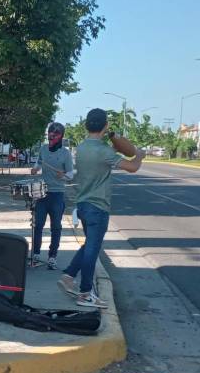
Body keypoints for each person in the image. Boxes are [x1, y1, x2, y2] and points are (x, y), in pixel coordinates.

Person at [57, 108, 144, 308]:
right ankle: (85, 293)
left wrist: (113, 138)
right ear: (105, 125)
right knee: (92, 250)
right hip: (98, 207)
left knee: (89, 245)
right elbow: (132, 166)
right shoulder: (103, 150)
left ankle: (69, 276)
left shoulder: (82, 147)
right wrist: (139, 155)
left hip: (83, 204)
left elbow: (115, 150)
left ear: (86, 125)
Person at [30, 122, 74, 269]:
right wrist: (35, 169)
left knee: (56, 227)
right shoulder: (43, 149)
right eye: (50, 132)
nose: (52, 135)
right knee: (38, 225)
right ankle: (36, 254)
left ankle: (52, 257)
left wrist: (63, 175)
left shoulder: (65, 153)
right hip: (42, 193)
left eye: (55, 133)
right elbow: (39, 163)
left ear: (61, 136)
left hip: (57, 195)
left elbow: (71, 175)